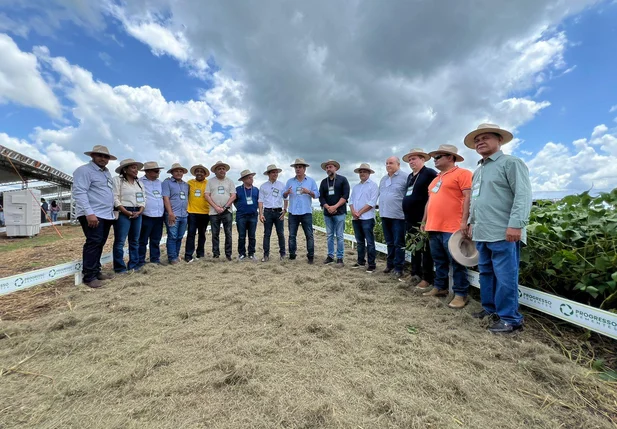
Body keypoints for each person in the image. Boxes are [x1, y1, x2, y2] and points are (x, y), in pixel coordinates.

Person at [464, 123, 533, 334]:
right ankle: (490, 309)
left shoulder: (511, 163)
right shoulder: (478, 171)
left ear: (499, 140)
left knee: (505, 276)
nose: (480, 142)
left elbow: (523, 195)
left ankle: (510, 319)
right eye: (477, 140)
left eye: (485, 137)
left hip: (504, 231)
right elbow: (476, 200)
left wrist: (516, 224)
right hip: (482, 231)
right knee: (486, 272)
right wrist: (470, 222)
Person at [421, 144, 472, 309]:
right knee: (439, 260)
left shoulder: (463, 174)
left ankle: (460, 294)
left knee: (457, 261)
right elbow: (430, 201)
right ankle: (440, 287)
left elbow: (468, 197)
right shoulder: (435, 179)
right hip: (433, 226)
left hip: (453, 227)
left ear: (450, 157)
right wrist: (424, 220)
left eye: (438, 157)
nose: (434, 160)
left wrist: (465, 221)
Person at [72, 145, 117, 288]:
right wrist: (89, 213)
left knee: (100, 243)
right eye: (100, 156)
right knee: (93, 242)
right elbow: (79, 192)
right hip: (93, 213)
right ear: (92, 156)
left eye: (106, 157)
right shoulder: (84, 171)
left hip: (105, 214)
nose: (103, 159)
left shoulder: (106, 173)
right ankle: (89, 276)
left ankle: (96, 271)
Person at [401, 149, 438, 290]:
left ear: (423, 159)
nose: (411, 162)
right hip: (409, 218)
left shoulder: (429, 173)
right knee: (413, 247)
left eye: (414, 159)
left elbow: (433, 195)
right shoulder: (410, 176)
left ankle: (427, 278)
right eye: (409, 160)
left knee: (425, 249)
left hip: (422, 219)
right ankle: (414, 273)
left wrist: (426, 217)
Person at [112, 159, 146, 273]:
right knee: (120, 241)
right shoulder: (117, 180)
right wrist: (125, 211)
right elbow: (115, 198)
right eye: (133, 167)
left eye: (136, 168)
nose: (136, 170)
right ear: (125, 169)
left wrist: (140, 210)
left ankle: (134, 265)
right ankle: (119, 267)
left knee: (135, 240)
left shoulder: (139, 183)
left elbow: (143, 198)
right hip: (122, 212)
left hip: (137, 212)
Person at [284, 158, 319, 264]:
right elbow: (284, 195)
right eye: (296, 167)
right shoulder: (289, 181)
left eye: (300, 167)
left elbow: (317, 195)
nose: (297, 169)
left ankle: (311, 256)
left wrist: (308, 192)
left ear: (304, 169)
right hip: (293, 212)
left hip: (306, 212)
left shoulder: (311, 181)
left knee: (309, 235)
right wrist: (287, 192)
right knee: (292, 235)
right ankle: (292, 255)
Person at [378, 156, 408, 280]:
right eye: (386, 163)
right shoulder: (383, 179)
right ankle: (389, 265)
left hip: (398, 216)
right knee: (389, 242)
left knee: (398, 243)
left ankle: (399, 268)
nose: (388, 165)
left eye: (391, 163)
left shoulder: (405, 177)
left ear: (398, 164)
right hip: (385, 215)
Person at [319, 159, 350, 266]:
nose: (328, 169)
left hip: (340, 212)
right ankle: (330, 256)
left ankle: (340, 257)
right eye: (327, 167)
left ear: (335, 168)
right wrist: (328, 207)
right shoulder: (323, 182)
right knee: (329, 235)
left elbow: (345, 195)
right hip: (327, 213)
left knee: (340, 236)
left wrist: (335, 206)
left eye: (330, 167)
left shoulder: (343, 180)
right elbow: (321, 197)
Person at [349, 163, 379, 272]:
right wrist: (353, 212)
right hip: (356, 218)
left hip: (367, 218)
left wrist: (359, 212)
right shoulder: (356, 187)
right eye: (361, 172)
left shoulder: (373, 185)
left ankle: (372, 264)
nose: (362, 173)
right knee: (360, 241)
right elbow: (351, 200)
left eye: (365, 171)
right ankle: (361, 261)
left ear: (369, 173)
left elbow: (372, 202)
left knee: (370, 242)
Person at [205, 160, 236, 261]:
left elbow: (233, 196)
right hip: (214, 212)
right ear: (215, 171)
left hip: (227, 211)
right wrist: (216, 207)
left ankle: (228, 254)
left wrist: (225, 207)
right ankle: (216, 254)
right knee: (215, 233)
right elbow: (207, 195)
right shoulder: (210, 181)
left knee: (228, 233)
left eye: (223, 168)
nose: (222, 170)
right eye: (219, 169)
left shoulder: (230, 181)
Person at [258, 164, 288, 262]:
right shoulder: (263, 186)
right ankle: (266, 255)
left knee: (281, 234)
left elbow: (285, 198)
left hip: (279, 211)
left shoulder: (282, 185)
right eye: (273, 172)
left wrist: (285, 210)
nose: (275, 174)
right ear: (268, 174)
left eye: (276, 172)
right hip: (267, 212)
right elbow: (260, 201)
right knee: (267, 234)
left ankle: (282, 254)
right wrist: (261, 214)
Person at [138, 161, 165, 267]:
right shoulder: (140, 182)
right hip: (146, 215)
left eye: (158, 170)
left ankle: (155, 259)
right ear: (148, 171)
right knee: (143, 240)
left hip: (159, 215)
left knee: (156, 239)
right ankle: (141, 261)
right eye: (156, 170)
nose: (158, 172)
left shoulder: (160, 183)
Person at [162, 163, 189, 265]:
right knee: (172, 236)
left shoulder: (186, 185)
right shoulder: (167, 183)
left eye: (180, 171)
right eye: (176, 171)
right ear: (172, 172)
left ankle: (176, 256)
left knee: (180, 236)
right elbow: (166, 198)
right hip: (173, 214)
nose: (179, 173)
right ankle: (172, 258)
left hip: (184, 215)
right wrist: (170, 213)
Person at [185, 164, 211, 263]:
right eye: (197, 171)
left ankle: (200, 253)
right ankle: (188, 255)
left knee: (202, 234)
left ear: (205, 174)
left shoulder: (208, 183)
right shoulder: (189, 183)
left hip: (205, 212)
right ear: (195, 173)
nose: (199, 173)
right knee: (191, 234)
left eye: (201, 171)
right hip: (192, 212)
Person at [234, 169, 259, 261]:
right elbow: (234, 201)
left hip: (253, 215)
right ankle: (242, 254)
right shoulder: (238, 190)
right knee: (241, 236)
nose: (251, 179)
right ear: (243, 179)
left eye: (252, 177)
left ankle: (251, 253)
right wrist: (240, 207)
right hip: (241, 216)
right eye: (249, 178)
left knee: (252, 236)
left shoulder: (256, 190)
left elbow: (259, 201)